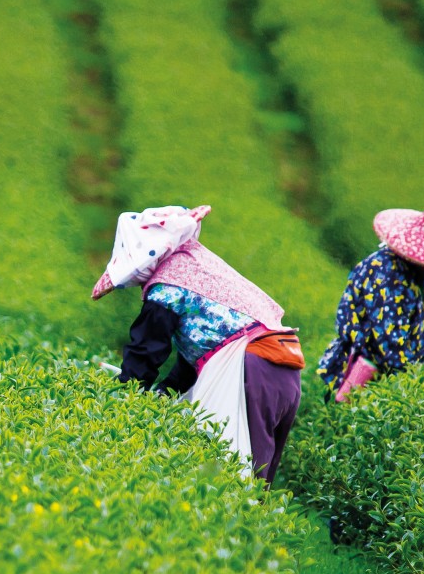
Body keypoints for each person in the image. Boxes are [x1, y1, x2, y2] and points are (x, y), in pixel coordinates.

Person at [93, 204, 304, 484]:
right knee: (255, 475)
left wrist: (123, 400)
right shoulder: (200, 265)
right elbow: (206, 343)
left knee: (226, 474)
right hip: (283, 369)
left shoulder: (167, 285)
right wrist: (166, 391)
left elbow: (146, 350)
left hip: (250, 367)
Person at [316, 204, 424, 399]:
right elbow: (389, 342)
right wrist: (416, 385)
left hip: (397, 378)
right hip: (359, 375)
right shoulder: (385, 274)